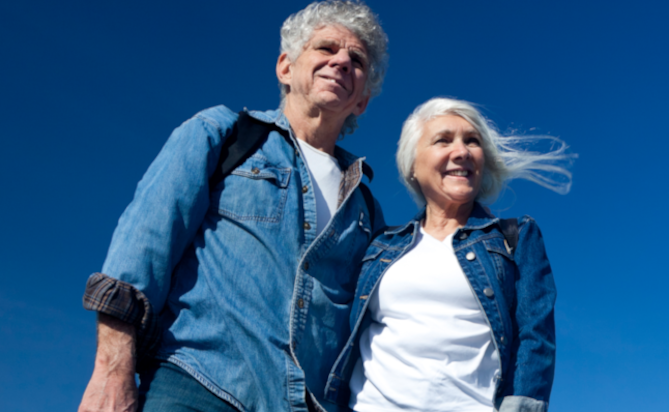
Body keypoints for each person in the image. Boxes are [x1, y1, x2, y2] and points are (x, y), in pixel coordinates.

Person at [77, 2, 388, 412]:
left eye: (357, 60)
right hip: (197, 387)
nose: (341, 62)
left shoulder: (367, 210)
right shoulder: (224, 134)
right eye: (326, 48)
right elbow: (143, 248)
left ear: (362, 101)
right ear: (285, 67)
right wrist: (111, 372)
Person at [326, 98, 575, 412]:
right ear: (413, 165)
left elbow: (535, 340)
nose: (462, 152)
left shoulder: (516, 238)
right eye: (443, 140)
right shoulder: (378, 245)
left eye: (472, 141)